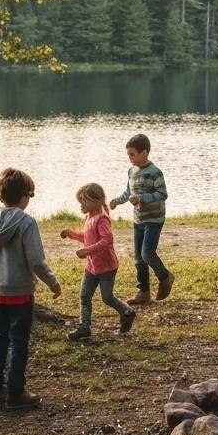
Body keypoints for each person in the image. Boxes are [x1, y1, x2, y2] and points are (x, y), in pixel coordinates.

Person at [0, 167, 62, 409]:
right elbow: (36, 261)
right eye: (30, 195)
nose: (29, 200)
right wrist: (53, 283)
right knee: (19, 341)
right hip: (20, 292)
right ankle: (15, 393)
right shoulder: (26, 222)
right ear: (23, 196)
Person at [61, 182, 136, 341]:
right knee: (84, 296)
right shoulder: (89, 217)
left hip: (107, 267)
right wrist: (71, 234)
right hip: (91, 267)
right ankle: (84, 327)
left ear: (96, 201)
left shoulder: (102, 219)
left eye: (83, 201)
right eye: (80, 201)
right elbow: (87, 237)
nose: (81, 205)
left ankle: (127, 312)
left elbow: (106, 240)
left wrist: (86, 251)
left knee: (107, 297)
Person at [109, 133, 173, 305]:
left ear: (144, 153)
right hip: (138, 219)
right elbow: (128, 192)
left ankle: (165, 277)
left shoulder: (155, 172)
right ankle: (143, 292)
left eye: (132, 154)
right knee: (138, 257)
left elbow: (162, 194)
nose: (130, 158)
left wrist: (142, 198)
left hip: (154, 219)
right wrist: (117, 201)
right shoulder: (131, 171)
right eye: (128, 154)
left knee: (147, 253)